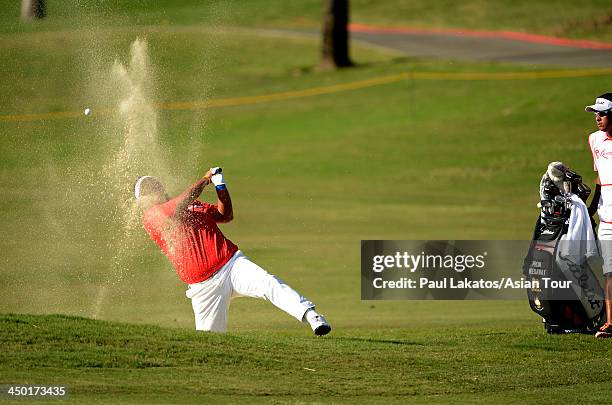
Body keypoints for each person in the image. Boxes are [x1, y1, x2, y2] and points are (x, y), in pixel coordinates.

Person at [133, 167, 331, 335]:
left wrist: (220, 187)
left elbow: (225, 215)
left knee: (268, 283)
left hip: (231, 264)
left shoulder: (192, 205)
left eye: (155, 186)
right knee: (209, 341)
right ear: (143, 200)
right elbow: (179, 205)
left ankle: (312, 316)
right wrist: (205, 179)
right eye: (148, 190)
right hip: (203, 288)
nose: (155, 190)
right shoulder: (152, 216)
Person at [585, 93, 612, 338]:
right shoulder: (594, 140)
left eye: (602, 113)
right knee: (609, 271)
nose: (597, 118)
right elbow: (600, 179)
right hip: (606, 219)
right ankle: (610, 324)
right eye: (596, 113)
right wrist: (590, 209)